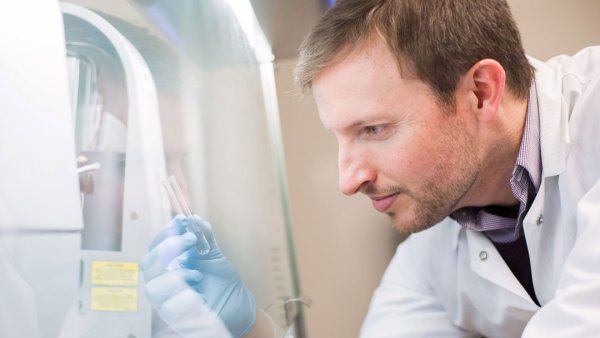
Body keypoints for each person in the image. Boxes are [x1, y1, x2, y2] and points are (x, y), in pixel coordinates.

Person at [144, 0, 600, 337]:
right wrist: (247, 329)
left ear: (480, 91)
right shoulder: (433, 243)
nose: (349, 181)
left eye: (374, 129)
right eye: (340, 137)